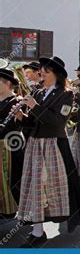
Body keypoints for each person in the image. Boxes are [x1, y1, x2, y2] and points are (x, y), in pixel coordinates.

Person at [13, 56, 80, 247]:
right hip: (35, 144)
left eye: (46, 72)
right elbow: (33, 122)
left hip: (54, 145)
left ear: (56, 75)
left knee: (58, 187)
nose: (42, 74)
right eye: (42, 71)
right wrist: (21, 116)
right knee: (34, 187)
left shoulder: (66, 94)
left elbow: (57, 122)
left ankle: (67, 217)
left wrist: (34, 107)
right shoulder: (38, 93)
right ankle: (37, 231)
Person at [0, 69, 23, 220]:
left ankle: (10, 209)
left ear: (7, 83)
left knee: (11, 179)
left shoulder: (17, 101)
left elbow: (17, 126)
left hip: (10, 146)